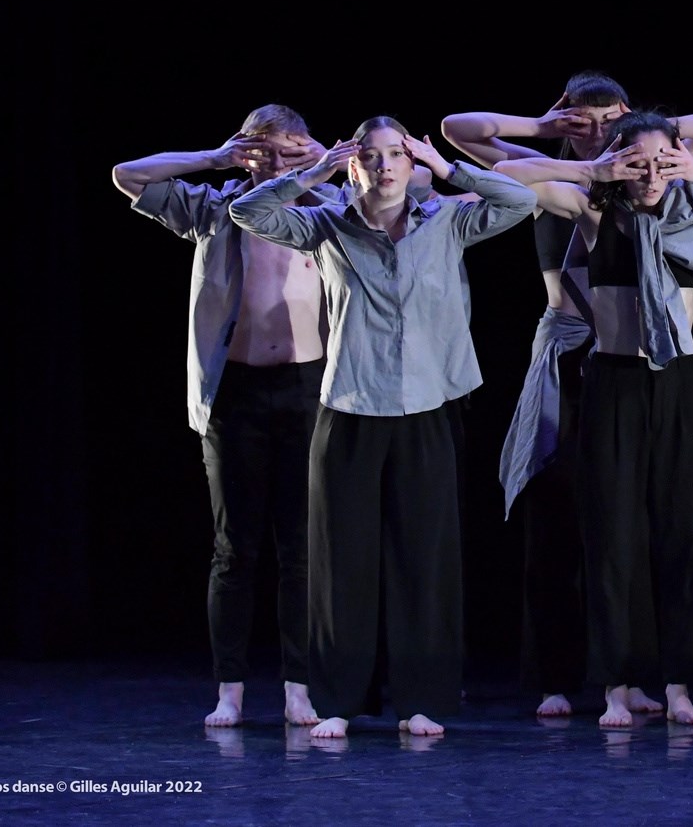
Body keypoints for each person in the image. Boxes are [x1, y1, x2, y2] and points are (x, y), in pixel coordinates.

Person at [441, 72, 693, 720]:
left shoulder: (652, 169)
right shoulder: (560, 180)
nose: (599, 132)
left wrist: (647, 143)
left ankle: (637, 673)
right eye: (583, 120)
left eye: (608, 119)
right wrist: (548, 131)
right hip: (575, 350)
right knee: (559, 515)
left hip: (645, 356)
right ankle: (556, 673)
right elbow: (462, 132)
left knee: (637, 517)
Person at [228, 115, 538, 739]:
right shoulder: (325, 224)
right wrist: (314, 171)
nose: (386, 166)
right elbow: (248, 212)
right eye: (371, 156)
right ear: (355, 165)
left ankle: (421, 699)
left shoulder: (446, 219)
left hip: (428, 403)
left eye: (397, 154)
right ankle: (338, 700)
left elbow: (521, 200)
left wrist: (446, 166)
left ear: (411, 161)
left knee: (423, 559)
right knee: (341, 561)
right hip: (350, 404)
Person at [494, 111, 693, 728]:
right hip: (612, 380)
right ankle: (616, 686)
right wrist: (593, 167)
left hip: (679, 383)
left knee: (680, 536)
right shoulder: (594, 210)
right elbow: (505, 171)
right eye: (640, 160)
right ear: (619, 159)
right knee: (613, 538)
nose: (652, 171)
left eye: (664, 159)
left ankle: (679, 686)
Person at [113, 104, 330, 728]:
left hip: (307, 388)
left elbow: (411, 192)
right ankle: (229, 690)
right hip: (233, 392)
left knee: (302, 550)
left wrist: (316, 161)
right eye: (264, 150)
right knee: (235, 548)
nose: (274, 162)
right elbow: (129, 175)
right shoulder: (215, 206)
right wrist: (218, 157)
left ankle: (299, 688)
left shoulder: (329, 207)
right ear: (245, 148)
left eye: (286, 150)